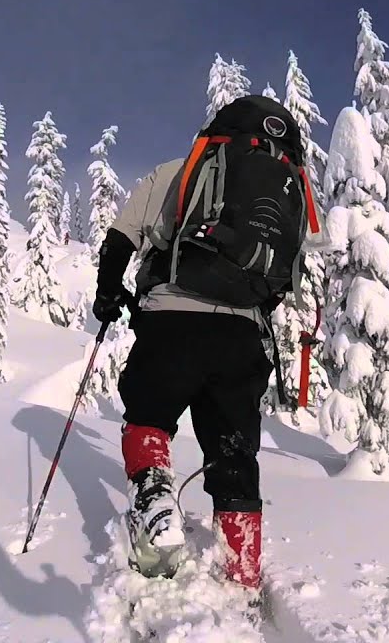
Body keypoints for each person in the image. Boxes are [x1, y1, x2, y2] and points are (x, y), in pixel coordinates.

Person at [90, 95, 320, 591]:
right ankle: (242, 572)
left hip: (172, 320)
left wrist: (109, 294)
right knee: (235, 455)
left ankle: (155, 503)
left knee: (149, 415)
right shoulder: (288, 189)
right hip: (242, 334)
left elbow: (121, 237)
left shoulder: (178, 173)